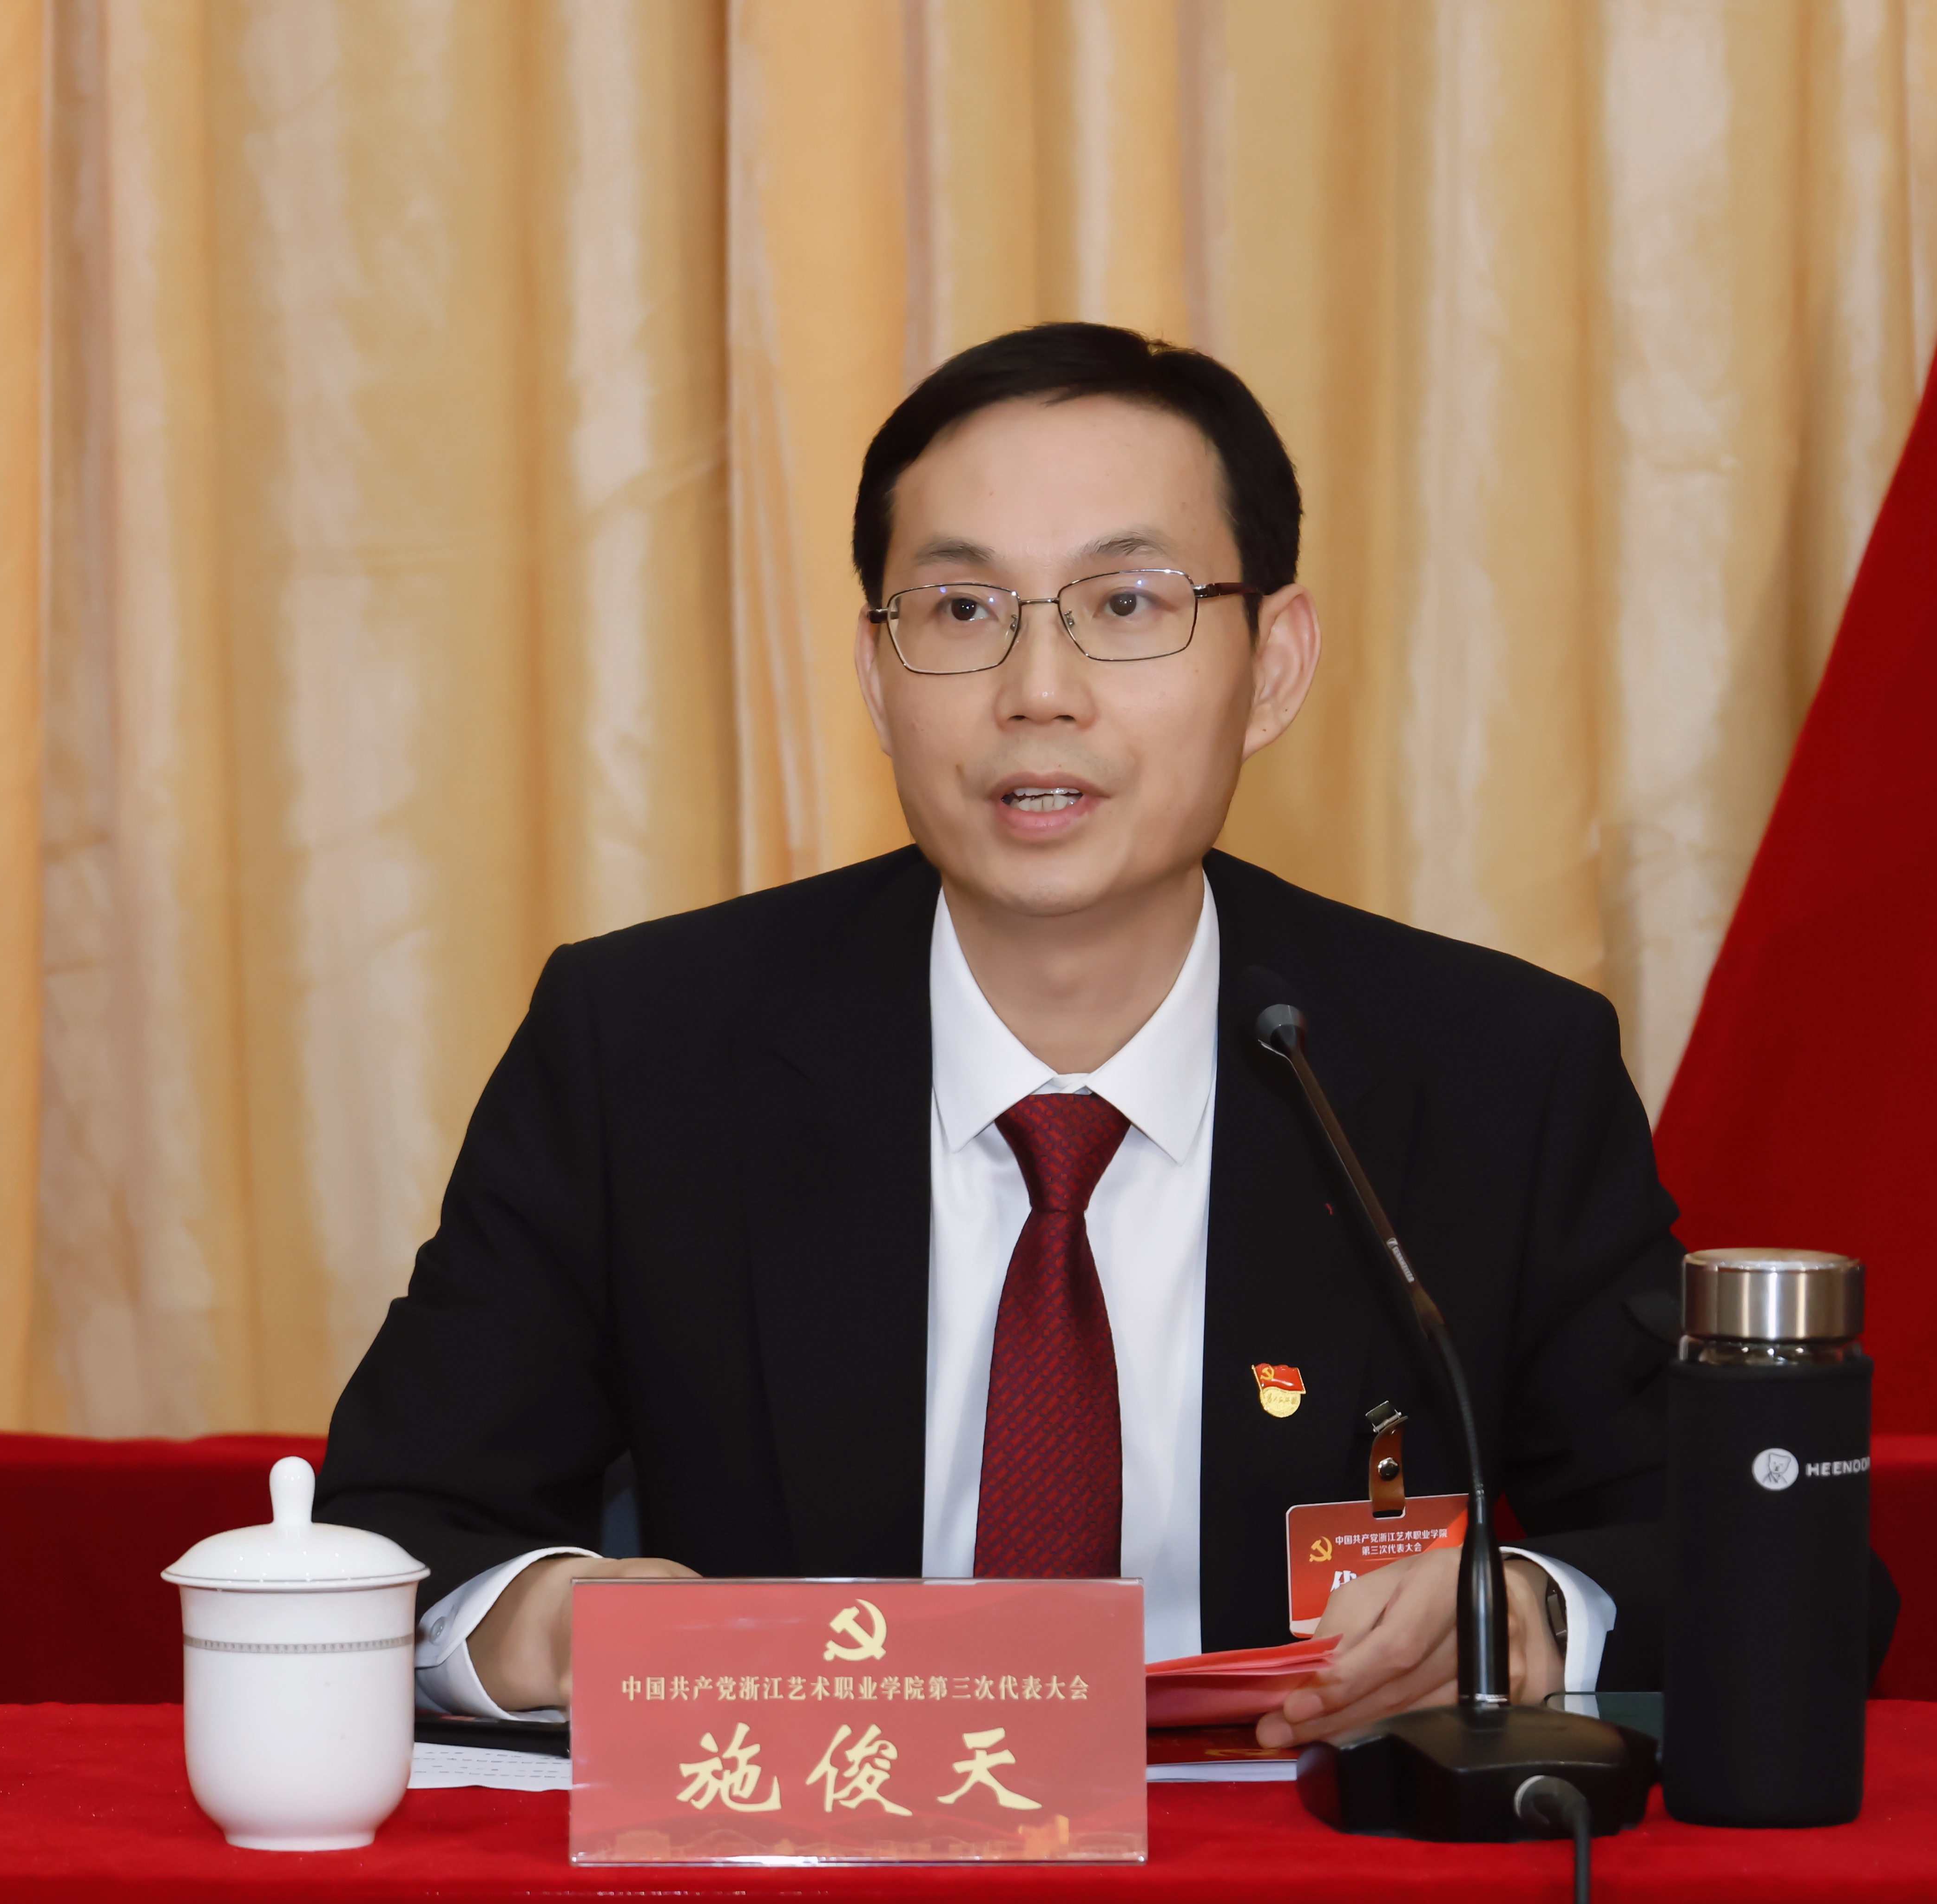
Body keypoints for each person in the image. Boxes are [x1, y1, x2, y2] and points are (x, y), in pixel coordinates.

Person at [321, 322, 1720, 1750]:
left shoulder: (1497, 1076)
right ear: (878, 675)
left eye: (1127, 601)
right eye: (961, 608)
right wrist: (552, 1621)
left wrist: (1525, 1613)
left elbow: (1745, 1546)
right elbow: (391, 1526)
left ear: (1276, 664)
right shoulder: (645, 1052)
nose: (1038, 688)